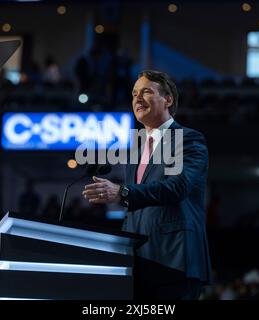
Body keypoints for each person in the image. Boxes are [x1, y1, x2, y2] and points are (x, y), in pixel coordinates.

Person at [82, 70, 211, 299]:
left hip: (174, 261)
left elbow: (176, 187)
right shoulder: (136, 150)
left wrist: (121, 191)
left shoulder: (187, 139)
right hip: (138, 266)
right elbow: (134, 209)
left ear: (168, 100)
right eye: (133, 94)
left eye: (146, 92)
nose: (137, 99)